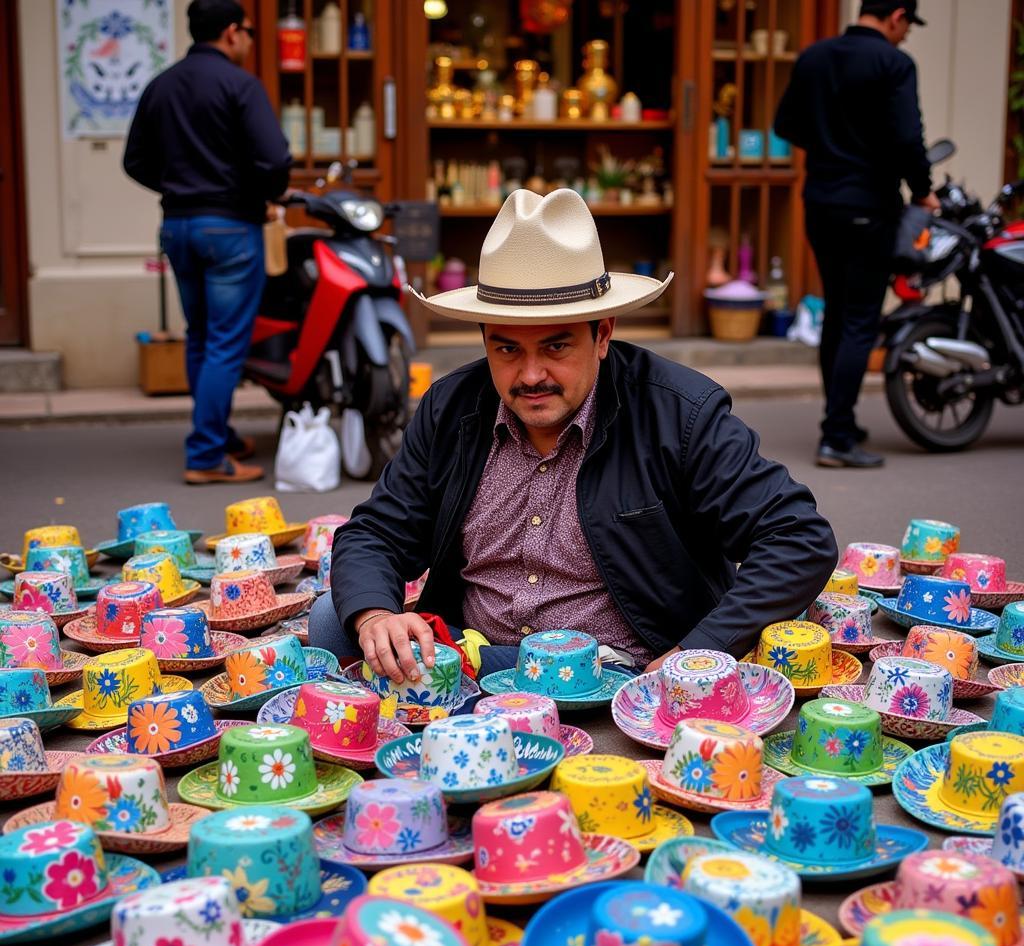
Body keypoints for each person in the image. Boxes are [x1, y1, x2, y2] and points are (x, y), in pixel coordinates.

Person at [308, 187, 838, 685]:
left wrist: (698, 650)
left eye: (557, 347)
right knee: (339, 615)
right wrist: (377, 615)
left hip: (618, 668)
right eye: (507, 349)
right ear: (485, 340)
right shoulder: (450, 408)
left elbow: (798, 537)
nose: (531, 374)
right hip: (469, 658)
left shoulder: (680, 412)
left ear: (602, 334)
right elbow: (375, 531)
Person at [123, 0, 292, 484]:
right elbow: (274, 160)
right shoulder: (240, 85)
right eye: (250, 33)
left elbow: (134, 162)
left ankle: (214, 433)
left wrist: (181, 187)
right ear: (233, 32)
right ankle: (205, 455)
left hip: (178, 226)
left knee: (200, 336)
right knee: (223, 344)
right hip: (230, 228)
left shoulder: (162, 84)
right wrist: (254, 193)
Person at [774, 0, 939, 469]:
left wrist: (831, 142)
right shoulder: (895, 63)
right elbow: (910, 138)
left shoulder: (814, 57)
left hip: (820, 202)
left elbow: (785, 125)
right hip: (868, 204)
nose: (906, 35)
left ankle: (839, 419)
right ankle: (838, 436)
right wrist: (923, 191)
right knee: (861, 319)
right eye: (908, 25)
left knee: (838, 312)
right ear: (897, 16)